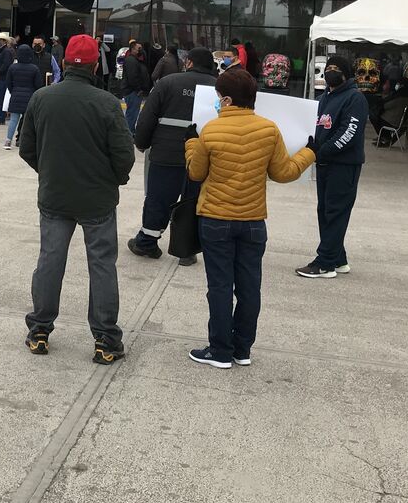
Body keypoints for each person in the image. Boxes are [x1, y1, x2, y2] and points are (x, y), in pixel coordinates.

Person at [184, 67, 315, 368]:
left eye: (219, 97)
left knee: (220, 287)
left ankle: (219, 351)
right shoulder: (269, 130)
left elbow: (196, 173)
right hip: (253, 222)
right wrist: (309, 152)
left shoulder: (211, 130)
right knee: (249, 288)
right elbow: (283, 173)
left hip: (215, 219)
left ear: (227, 100)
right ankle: (242, 349)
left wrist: (190, 143)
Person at [19, 35, 135, 364]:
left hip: (55, 196)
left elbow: (27, 148)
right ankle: (105, 339)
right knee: (102, 265)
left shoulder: (42, 98)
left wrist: (49, 172)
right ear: (96, 66)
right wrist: (113, 180)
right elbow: (124, 155)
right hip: (97, 200)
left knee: (50, 261)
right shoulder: (107, 103)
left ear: (65, 63)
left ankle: (39, 330)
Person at [129, 47, 220, 265]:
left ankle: (147, 243)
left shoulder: (168, 83)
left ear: (189, 63)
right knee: (193, 202)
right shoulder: (219, 88)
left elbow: (147, 118)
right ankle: (186, 251)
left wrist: (141, 142)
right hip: (202, 157)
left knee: (158, 200)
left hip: (166, 154)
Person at [296, 55, 368, 279]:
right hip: (324, 164)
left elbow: (349, 132)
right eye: (328, 68)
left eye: (336, 68)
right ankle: (338, 259)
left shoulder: (355, 98)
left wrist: (323, 150)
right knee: (325, 211)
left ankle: (325, 263)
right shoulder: (323, 98)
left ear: (346, 74)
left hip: (343, 165)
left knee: (336, 212)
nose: (330, 72)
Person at [3, 43, 43, 149]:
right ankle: (23, 141)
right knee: (27, 122)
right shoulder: (34, 68)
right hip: (29, 97)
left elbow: (8, 83)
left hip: (15, 96)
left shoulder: (13, 67)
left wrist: (14, 91)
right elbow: (38, 84)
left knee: (13, 120)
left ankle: (8, 141)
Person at [371, 75, 408, 145]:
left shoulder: (399, 96)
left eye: (398, 84)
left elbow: (385, 105)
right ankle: (384, 137)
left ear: (401, 85)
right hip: (404, 123)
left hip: (394, 122)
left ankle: (385, 137)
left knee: (373, 116)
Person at [120, 40, 152, 133]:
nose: (141, 50)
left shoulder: (136, 60)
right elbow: (133, 77)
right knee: (132, 113)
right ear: (133, 49)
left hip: (134, 91)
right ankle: (129, 132)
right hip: (132, 91)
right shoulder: (131, 61)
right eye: (139, 48)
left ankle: (130, 131)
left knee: (133, 113)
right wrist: (138, 89)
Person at [0, 34, 15, 125]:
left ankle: (0, 118)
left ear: (4, 41)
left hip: (2, 79)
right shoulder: (1, 51)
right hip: (0, 78)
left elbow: (6, 65)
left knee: (0, 98)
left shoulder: (6, 51)